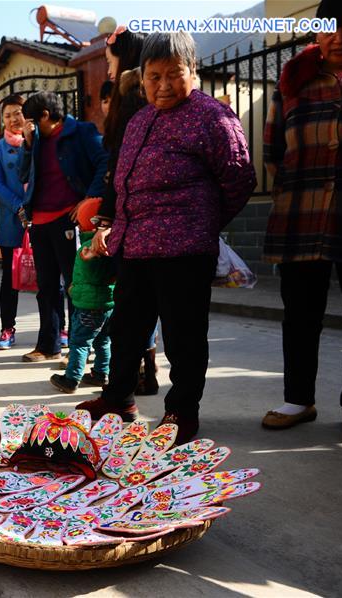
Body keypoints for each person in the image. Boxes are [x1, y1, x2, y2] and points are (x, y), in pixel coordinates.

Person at [79, 32, 256, 444]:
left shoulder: (213, 117)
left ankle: (182, 410)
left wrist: (202, 220)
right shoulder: (141, 118)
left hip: (184, 249)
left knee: (183, 335)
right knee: (126, 329)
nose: (163, 86)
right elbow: (122, 183)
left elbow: (240, 178)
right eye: (154, 76)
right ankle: (119, 398)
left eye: (174, 75)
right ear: (142, 79)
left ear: (193, 71)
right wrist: (111, 227)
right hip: (135, 246)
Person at [260, 0, 342, 437]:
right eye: (331, 28)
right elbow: (273, 153)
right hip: (302, 212)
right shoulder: (293, 81)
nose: (340, 36)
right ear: (318, 34)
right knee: (300, 311)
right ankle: (299, 398)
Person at [18, 92, 108, 363]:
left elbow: (104, 161)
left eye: (30, 121)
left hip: (68, 222)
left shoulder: (81, 131)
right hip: (40, 222)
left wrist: (88, 200)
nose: (27, 126)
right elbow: (23, 174)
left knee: (76, 285)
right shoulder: (36, 140)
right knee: (46, 287)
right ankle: (48, 346)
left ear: (45, 115)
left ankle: (82, 347)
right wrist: (27, 143)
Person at [93, 27, 159, 396]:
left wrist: (107, 218)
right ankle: (145, 371)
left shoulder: (132, 94)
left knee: (132, 303)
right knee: (142, 301)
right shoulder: (143, 93)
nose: (108, 68)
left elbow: (119, 164)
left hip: (133, 216)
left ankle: (130, 381)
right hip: (141, 214)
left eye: (109, 60)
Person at [50, 198, 114, 393]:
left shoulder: (89, 247)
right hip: (107, 304)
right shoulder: (110, 242)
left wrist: (74, 289)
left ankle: (71, 379)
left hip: (88, 304)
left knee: (79, 342)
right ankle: (101, 373)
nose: (77, 225)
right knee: (103, 340)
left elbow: (89, 277)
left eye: (79, 221)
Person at [0, 95, 28, 350]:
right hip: (11, 221)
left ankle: (58, 327)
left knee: (51, 277)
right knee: (9, 278)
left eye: (18, 113)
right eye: (8, 115)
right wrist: (19, 206)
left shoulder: (38, 142)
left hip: (42, 217)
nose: (14, 119)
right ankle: (7, 328)